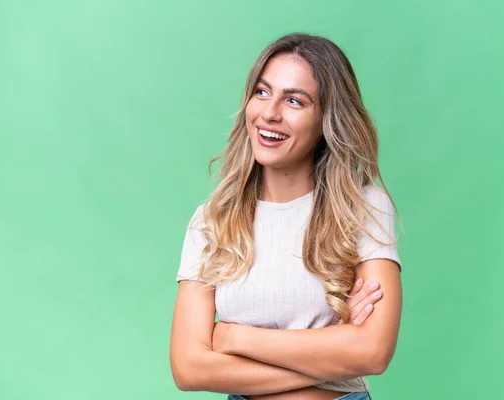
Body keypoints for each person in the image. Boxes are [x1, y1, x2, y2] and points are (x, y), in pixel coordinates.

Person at [170, 33, 403, 400]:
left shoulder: (361, 206)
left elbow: (372, 352)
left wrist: (234, 337)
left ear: (327, 117)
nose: (270, 113)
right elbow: (188, 367)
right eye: (262, 92)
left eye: (294, 100)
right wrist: (333, 356)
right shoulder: (212, 221)